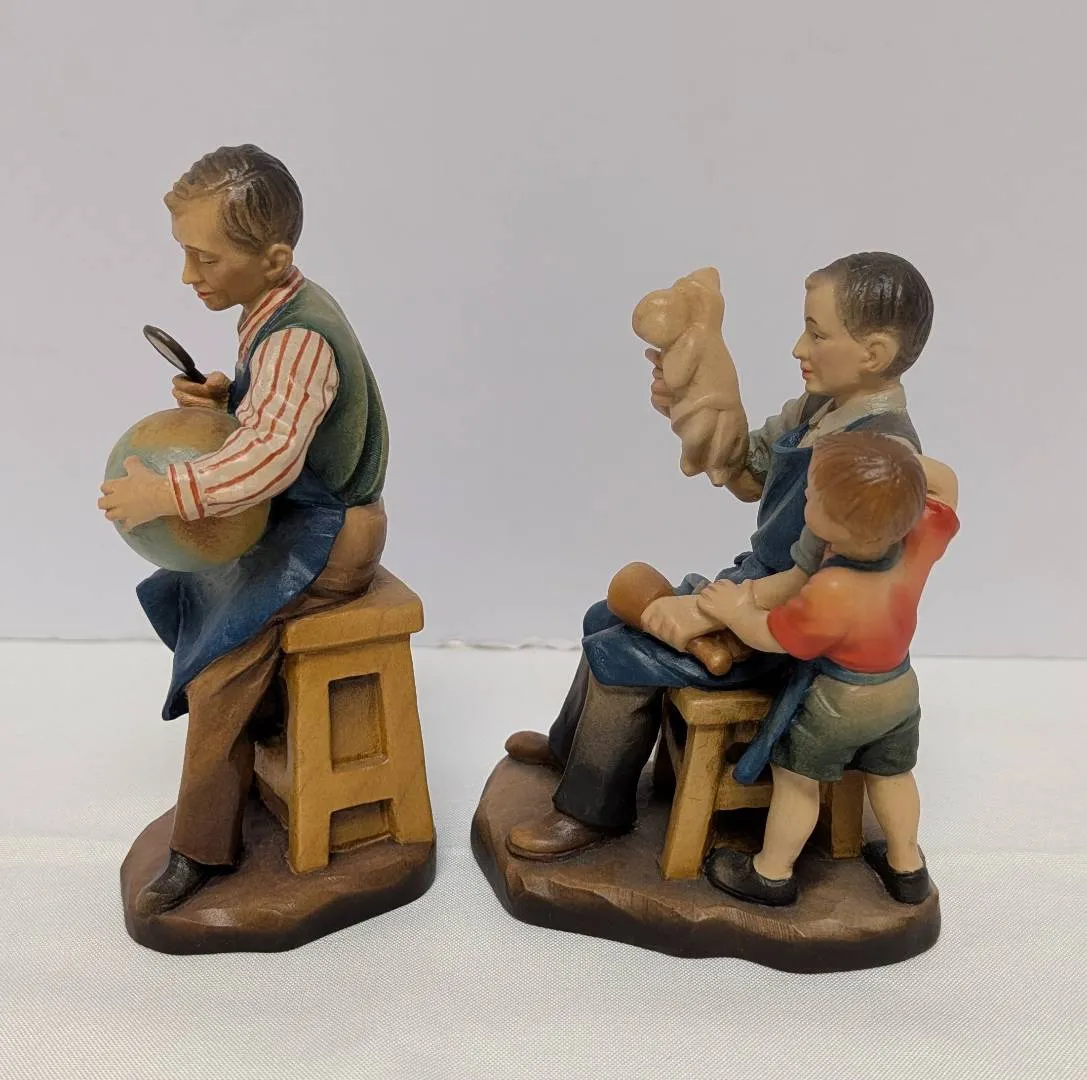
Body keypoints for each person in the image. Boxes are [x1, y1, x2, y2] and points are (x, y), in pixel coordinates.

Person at [505, 252, 942, 860]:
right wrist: (696, 404)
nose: (799, 347)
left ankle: (593, 810)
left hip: (791, 637)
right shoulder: (819, 410)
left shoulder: (874, 454)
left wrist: (713, 613)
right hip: (753, 591)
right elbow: (750, 471)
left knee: (620, 653)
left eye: (817, 334)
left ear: (873, 353)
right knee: (601, 617)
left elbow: (825, 583)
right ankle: (574, 749)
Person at [97, 145, 389, 914]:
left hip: (332, 535)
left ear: (273, 258)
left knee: (220, 666)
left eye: (204, 258)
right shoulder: (274, 311)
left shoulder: (297, 338)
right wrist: (229, 397)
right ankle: (272, 733)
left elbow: (268, 457)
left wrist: (168, 491)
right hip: (300, 519)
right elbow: (276, 419)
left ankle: (202, 848)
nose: (188, 276)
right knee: (186, 588)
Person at [696, 432, 958, 905]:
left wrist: (735, 610)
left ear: (838, 525)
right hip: (898, 692)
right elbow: (947, 484)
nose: (806, 498)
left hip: (840, 703)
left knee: (797, 781)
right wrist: (889, 465)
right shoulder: (917, 543)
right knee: (893, 775)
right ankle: (907, 867)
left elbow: (774, 636)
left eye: (813, 496)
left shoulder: (832, 589)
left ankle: (771, 873)